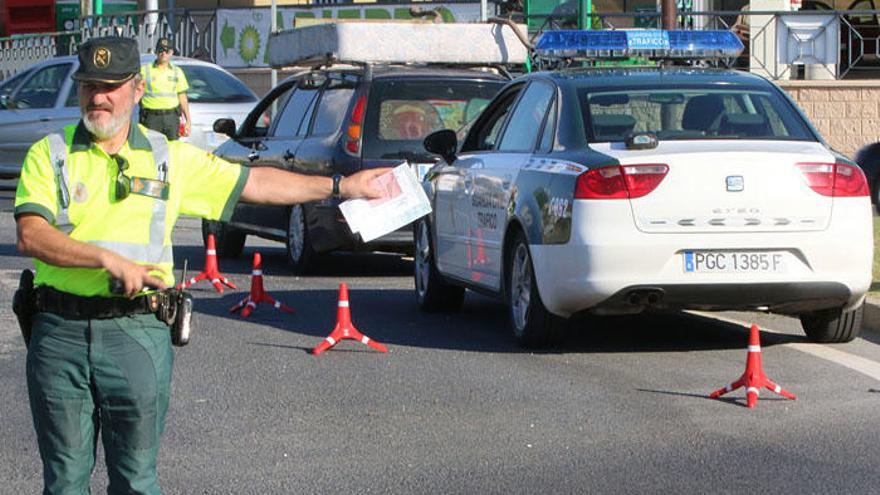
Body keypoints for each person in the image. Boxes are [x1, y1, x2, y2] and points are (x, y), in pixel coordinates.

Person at [14, 36, 387, 494]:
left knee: (136, 480)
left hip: (135, 332)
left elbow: (257, 183)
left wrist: (342, 185)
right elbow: (32, 234)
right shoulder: (49, 154)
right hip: (60, 334)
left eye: (111, 86)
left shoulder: (169, 159)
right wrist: (105, 259)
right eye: (90, 85)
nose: (99, 97)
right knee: (64, 482)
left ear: (135, 89)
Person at [139, 37, 190, 140]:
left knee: (172, 150)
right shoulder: (144, 71)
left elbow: (182, 98)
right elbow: (135, 93)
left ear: (171, 53)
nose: (164, 54)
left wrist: (188, 120)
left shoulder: (177, 72)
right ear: (156, 52)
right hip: (151, 118)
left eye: (167, 51)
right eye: (161, 50)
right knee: (151, 151)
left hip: (171, 118)